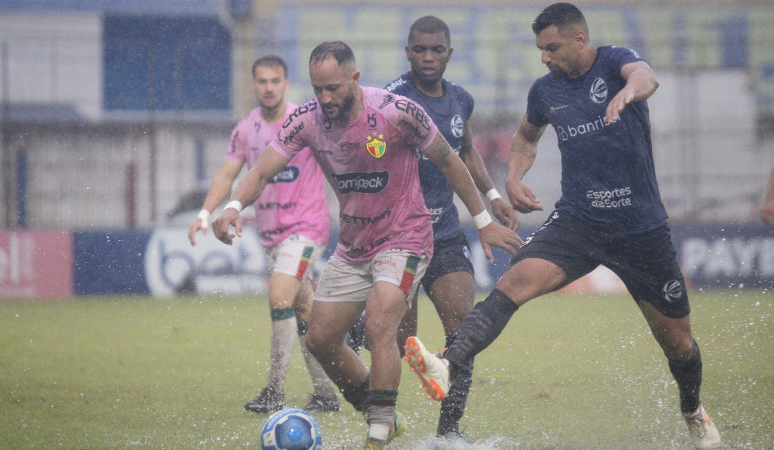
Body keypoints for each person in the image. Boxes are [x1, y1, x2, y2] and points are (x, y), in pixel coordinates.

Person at [403, 4, 723, 449]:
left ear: (578, 38)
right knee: (512, 284)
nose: (545, 57)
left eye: (551, 47)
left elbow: (647, 77)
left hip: (640, 229)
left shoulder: (614, 63)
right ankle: (446, 364)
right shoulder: (544, 90)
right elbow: (525, 138)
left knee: (679, 345)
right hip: (578, 222)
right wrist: (513, 177)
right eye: (540, 49)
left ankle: (691, 408)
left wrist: (629, 92)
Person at [212, 41, 523, 448]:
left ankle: (378, 433)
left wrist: (482, 219)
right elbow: (263, 169)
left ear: (354, 78)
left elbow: (449, 159)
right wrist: (234, 205)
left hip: (406, 237)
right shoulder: (307, 119)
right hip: (354, 246)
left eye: (334, 88)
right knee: (320, 339)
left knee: (380, 321)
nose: (325, 98)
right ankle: (385, 417)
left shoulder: (397, 112)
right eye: (317, 89)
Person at [355, 15, 520, 444]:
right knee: (396, 336)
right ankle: (357, 330)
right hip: (396, 235)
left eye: (436, 50)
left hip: (445, 232)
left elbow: (464, 153)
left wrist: (493, 196)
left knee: (463, 326)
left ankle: (449, 432)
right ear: (408, 52)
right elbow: (369, 153)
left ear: (449, 53)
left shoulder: (461, 100)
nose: (428, 57)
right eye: (419, 49)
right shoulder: (391, 98)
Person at [187, 55, 340, 414]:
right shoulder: (246, 129)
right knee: (305, 310)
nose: (269, 87)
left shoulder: (306, 120)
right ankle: (327, 393)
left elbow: (336, 163)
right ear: (253, 84)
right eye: (262, 81)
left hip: (307, 228)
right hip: (271, 235)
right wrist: (206, 214)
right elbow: (227, 177)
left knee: (278, 297)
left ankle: (274, 391)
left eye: (275, 81)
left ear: (286, 84)